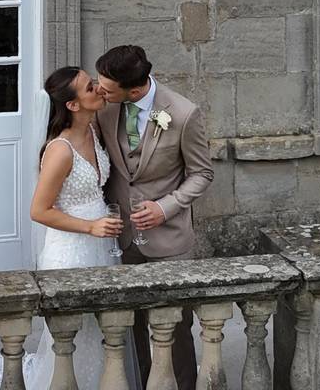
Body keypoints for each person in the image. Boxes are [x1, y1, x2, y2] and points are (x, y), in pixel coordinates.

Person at [0, 66, 139, 390]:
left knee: (103, 331)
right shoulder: (60, 151)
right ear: (73, 105)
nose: (98, 89)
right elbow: (39, 210)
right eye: (90, 87)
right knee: (73, 335)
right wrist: (90, 227)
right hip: (71, 249)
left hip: (101, 245)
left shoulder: (94, 131)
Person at [94, 45, 214, 390]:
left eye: (107, 88)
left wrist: (166, 206)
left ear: (134, 90)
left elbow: (202, 174)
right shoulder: (105, 109)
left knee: (175, 327)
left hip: (170, 239)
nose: (100, 91)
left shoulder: (184, 113)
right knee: (128, 325)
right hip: (121, 239)